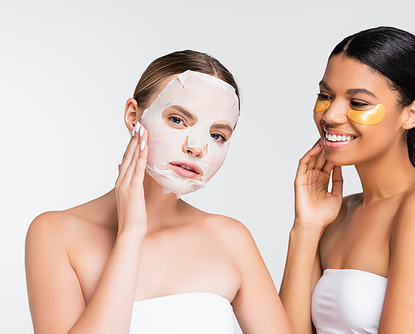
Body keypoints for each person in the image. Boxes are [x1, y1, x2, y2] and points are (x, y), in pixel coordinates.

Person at [26, 50, 292, 334]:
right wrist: (130, 235)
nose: (197, 146)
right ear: (133, 116)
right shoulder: (55, 234)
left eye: (218, 135)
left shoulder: (231, 239)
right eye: (177, 119)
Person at [279, 27, 415, 334]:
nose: (331, 116)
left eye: (358, 103)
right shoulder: (338, 213)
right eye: (325, 96)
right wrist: (306, 227)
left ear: (411, 114)